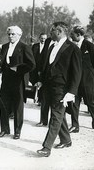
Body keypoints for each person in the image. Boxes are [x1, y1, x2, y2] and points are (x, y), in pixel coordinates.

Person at [36, 22, 82, 157]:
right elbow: (47, 67)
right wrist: (41, 81)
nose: (50, 33)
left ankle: (46, 147)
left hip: (62, 89)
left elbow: (77, 72)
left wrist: (72, 92)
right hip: (50, 87)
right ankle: (66, 139)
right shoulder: (51, 46)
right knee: (58, 114)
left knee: (55, 116)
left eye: (52, 30)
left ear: (60, 31)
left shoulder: (73, 48)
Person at [0, 26, 35, 140]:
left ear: (19, 35)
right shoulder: (4, 47)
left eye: (13, 34)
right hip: (6, 80)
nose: (10, 36)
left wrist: (18, 69)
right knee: (3, 104)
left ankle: (17, 131)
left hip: (18, 81)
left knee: (18, 106)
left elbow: (31, 65)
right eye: (9, 34)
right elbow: (2, 62)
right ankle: (4, 129)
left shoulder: (24, 47)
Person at [68, 26, 94, 133]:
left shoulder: (89, 46)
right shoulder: (70, 46)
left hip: (87, 79)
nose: (71, 36)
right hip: (75, 79)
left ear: (78, 35)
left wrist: (93, 74)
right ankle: (75, 125)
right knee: (74, 103)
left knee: (89, 101)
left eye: (72, 34)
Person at [30, 33, 49, 126]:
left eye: (45, 38)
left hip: (45, 74)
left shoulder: (49, 47)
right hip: (35, 71)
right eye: (41, 38)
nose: (43, 40)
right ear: (39, 38)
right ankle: (43, 120)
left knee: (46, 98)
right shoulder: (35, 46)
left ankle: (46, 120)